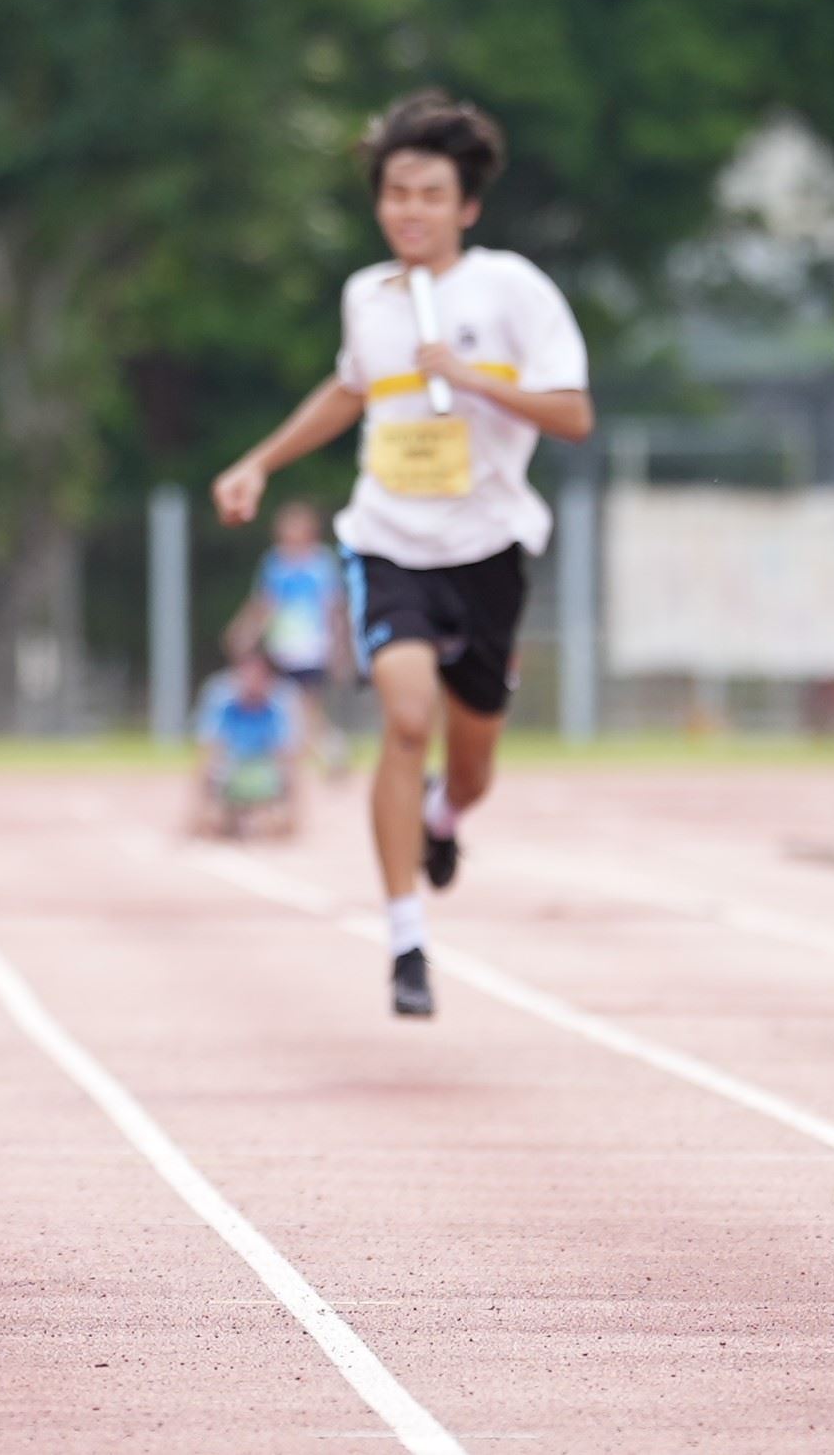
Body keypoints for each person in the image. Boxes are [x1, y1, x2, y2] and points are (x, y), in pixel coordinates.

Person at [211, 93, 591, 1021]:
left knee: (471, 766)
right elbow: (350, 390)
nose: (410, 210)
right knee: (406, 717)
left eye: (430, 194)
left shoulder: (511, 289)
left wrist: (470, 378)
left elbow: (574, 414)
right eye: (395, 193)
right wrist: (259, 461)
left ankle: (444, 817)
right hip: (389, 542)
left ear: (467, 205)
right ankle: (406, 938)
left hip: (488, 548)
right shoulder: (367, 297)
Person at [227, 498, 353, 767]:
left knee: (305, 704)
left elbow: (333, 607)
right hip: (282, 646)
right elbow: (265, 604)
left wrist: (339, 647)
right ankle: (322, 749)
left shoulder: (320, 563)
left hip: (312, 647)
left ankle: (328, 749)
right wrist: (246, 630)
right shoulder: (275, 563)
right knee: (291, 705)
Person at [187, 645, 312, 841]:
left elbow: (287, 752)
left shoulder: (277, 706)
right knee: (210, 777)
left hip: (263, 770)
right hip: (232, 768)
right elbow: (210, 747)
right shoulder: (225, 703)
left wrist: (285, 803)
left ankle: (279, 818)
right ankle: (218, 817)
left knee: (287, 776)